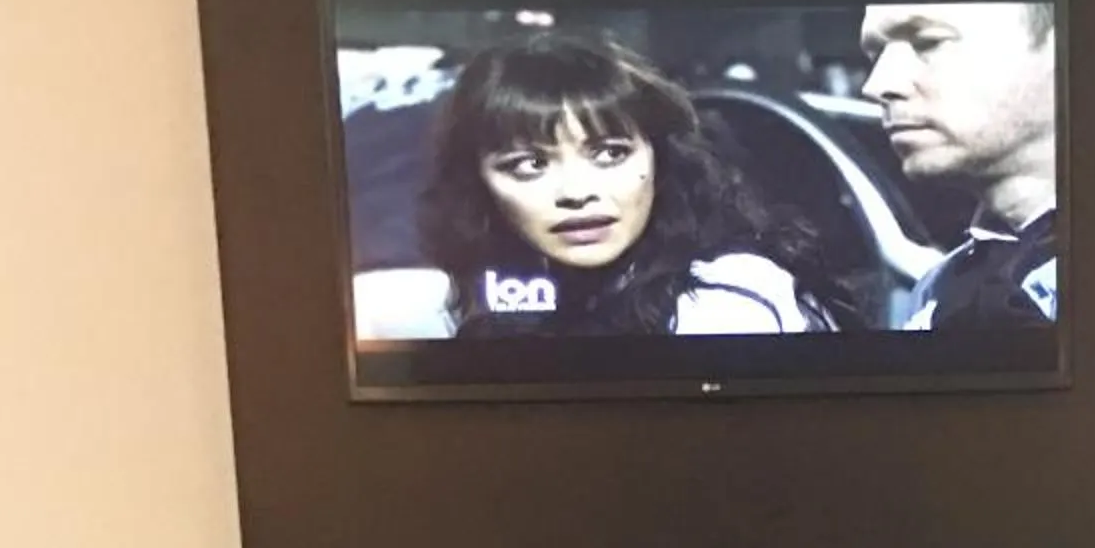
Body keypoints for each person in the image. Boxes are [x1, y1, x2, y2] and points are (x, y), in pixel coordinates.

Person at [352, 32, 841, 342]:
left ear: (660, 157)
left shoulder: (728, 298)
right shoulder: (476, 298)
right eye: (528, 165)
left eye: (610, 154)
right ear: (480, 184)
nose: (576, 191)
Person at [857, 0, 1058, 329]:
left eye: (929, 42)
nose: (877, 85)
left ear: (1060, 47)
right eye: (875, 55)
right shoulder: (933, 294)